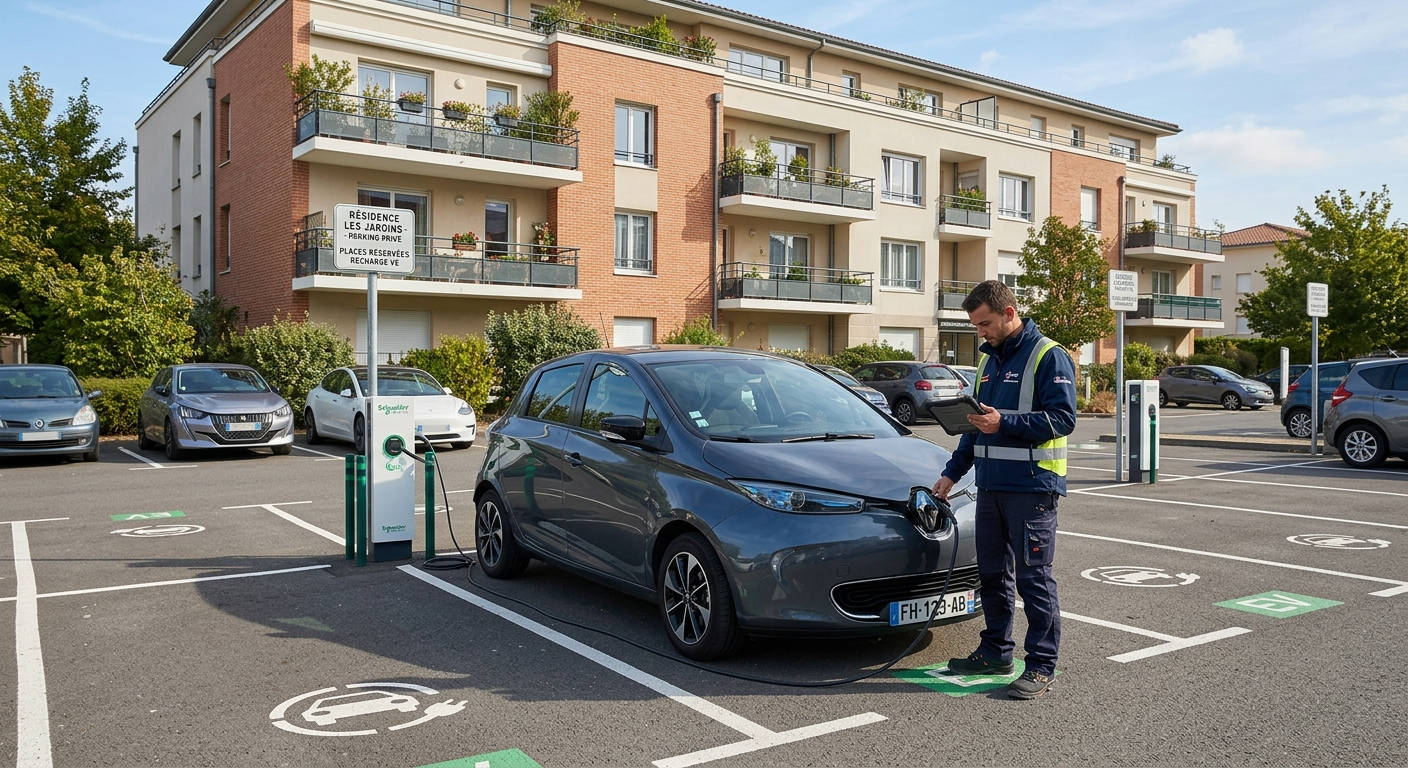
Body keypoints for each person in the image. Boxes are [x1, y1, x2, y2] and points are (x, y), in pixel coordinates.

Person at [931, 280, 1076, 700]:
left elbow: (1063, 420)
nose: (981, 333)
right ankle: (996, 651)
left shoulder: (1049, 355)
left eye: (986, 324)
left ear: (1010, 313)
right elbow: (975, 428)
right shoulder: (988, 361)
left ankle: (1042, 666)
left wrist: (1004, 424)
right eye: (976, 326)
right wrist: (951, 474)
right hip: (992, 489)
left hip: (1033, 490)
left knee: (1034, 580)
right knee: (992, 576)